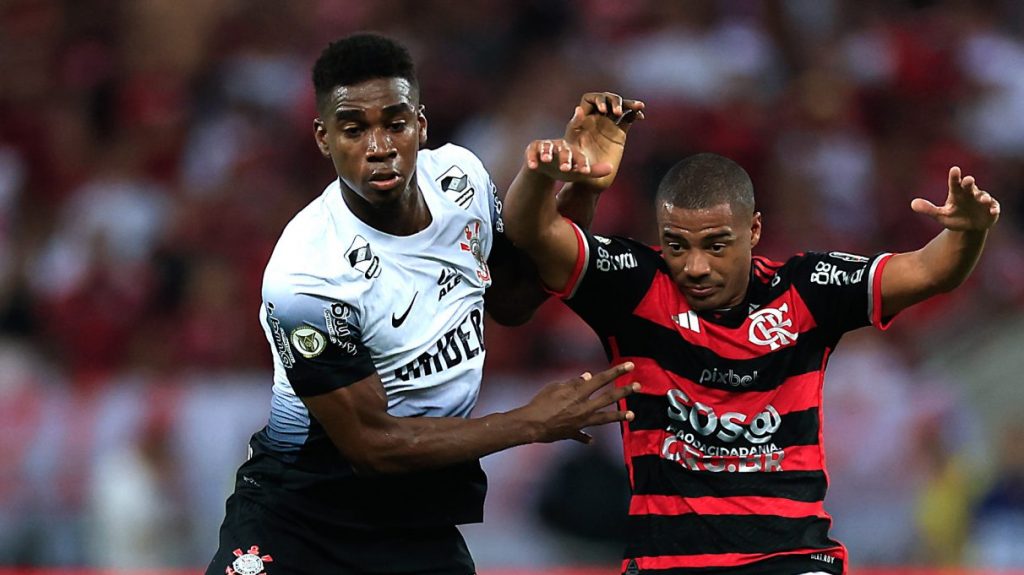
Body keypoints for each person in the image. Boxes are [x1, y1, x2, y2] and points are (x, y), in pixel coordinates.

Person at [205, 33, 646, 575]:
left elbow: (512, 300)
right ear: (323, 138)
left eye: (395, 122)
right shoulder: (307, 273)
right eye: (354, 128)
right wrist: (530, 422)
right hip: (299, 520)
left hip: (416, 525)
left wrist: (582, 188)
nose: (379, 146)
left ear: (422, 124)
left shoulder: (461, 180)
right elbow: (371, 445)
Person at [503, 140, 1000, 574]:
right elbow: (532, 231)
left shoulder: (807, 290)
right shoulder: (635, 286)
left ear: (754, 231)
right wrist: (539, 174)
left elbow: (928, 271)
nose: (695, 266)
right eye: (677, 245)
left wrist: (968, 232)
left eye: (717, 245)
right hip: (669, 562)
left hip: (789, 558)